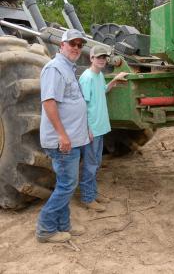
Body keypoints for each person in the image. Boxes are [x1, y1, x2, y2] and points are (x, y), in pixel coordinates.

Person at [36, 29, 90, 243]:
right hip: (62, 142)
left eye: (79, 45)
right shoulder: (55, 69)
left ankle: (63, 225)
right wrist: (62, 135)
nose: (76, 48)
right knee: (67, 185)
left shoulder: (68, 68)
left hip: (71, 139)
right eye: (72, 44)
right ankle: (46, 229)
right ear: (62, 45)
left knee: (64, 184)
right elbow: (48, 103)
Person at [79, 45, 127, 211]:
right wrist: (87, 129)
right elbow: (82, 105)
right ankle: (87, 198)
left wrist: (113, 81)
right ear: (91, 58)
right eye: (98, 57)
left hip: (100, 128)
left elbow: (101, 92)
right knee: (90, 165)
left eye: (104, 57)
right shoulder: (87, 78)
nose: (102, 60)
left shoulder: (99, 76)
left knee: (96, 163)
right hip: (92, 130)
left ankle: (92, 193)